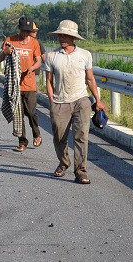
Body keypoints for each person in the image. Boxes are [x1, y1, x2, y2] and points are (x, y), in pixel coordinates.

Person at [43, 20, 106, 184]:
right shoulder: (52, 56)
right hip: (60, 101)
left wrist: (98, 100)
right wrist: (52, 101)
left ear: (73, 38)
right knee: (58, 137)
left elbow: (90, 79)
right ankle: (64, 162)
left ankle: (81, 171)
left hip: (81, 101)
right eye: (60, 35)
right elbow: (48, 81)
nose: (62, 38)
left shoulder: (85, 55)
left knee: (81, 136)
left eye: (66, 35)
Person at [0, 16, 42, 152]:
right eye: (23, 31)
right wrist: (5, 53)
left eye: (28, 32)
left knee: (31, 112)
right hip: (15, 84)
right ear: (19, 29)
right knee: (18, 114)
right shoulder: (10, 41)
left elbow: (39, 61)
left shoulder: (34, 43)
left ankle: (37, 134)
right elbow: (0, 58)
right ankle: (22, 141)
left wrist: (32, 68)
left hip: (29, 84)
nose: (25, 34)